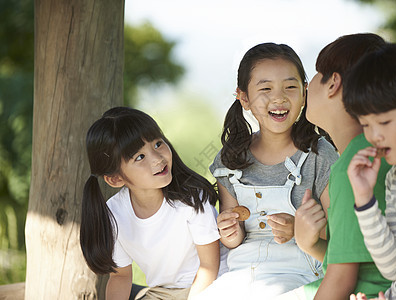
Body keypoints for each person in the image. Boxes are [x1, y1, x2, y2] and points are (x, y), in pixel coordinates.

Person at [197, 42, 339, 299]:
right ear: (244, 98)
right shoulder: (230, 158)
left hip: (300, 272)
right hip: (241, 274)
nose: (279, 97)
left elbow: (336, 236)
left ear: (304, 93)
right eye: (266, 89)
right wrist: (230, 232)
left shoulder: (319, 154)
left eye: (290, 87)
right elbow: (234, 239)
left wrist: (299, 229)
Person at [277, 33, 392, 300]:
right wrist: (311, 243)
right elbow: (359, 260)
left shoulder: (354, 166)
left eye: (317, 74)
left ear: (334, 84)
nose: (308, 86)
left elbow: (342, 280)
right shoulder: (374, 151)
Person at [79, 107, 228, 300]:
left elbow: (209, 267)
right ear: (115, 179)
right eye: (140, 157)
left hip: (213, 285)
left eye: (158, 144)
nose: (158, 159)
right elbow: (121, 277)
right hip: (164, 292)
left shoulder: (191, 199)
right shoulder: (114, 214)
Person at [345, 43, 396, 299]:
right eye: (365, 124)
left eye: (384, 122)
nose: (374, 135)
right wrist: (364, 201)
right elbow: (395, 268)